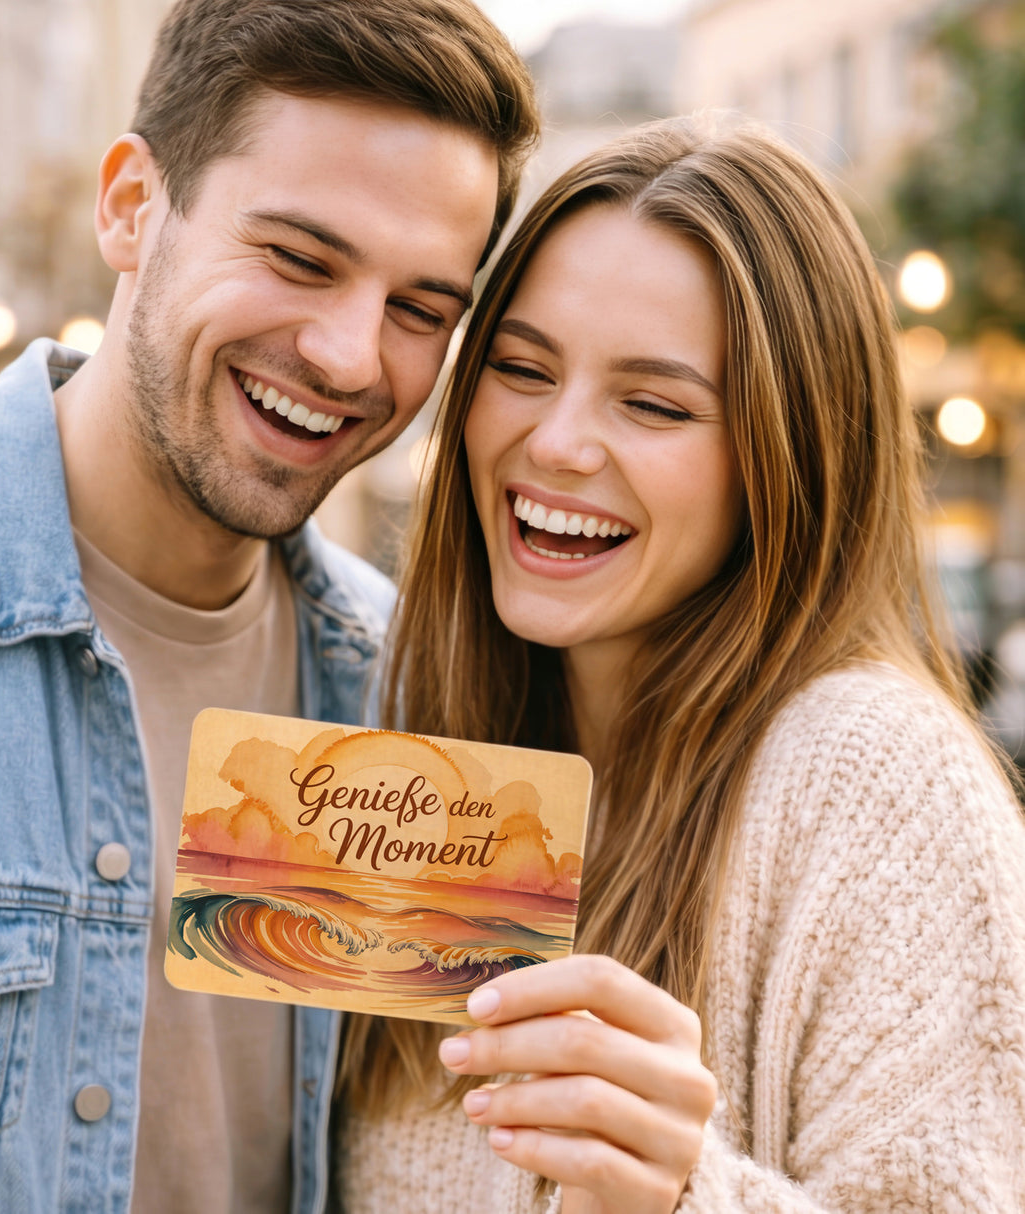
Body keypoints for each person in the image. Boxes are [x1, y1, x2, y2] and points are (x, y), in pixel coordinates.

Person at [0, 2, 538, 1211]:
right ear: (131, 207)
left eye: (420, 308)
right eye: (299, 257)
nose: (352, 356)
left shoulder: (407, 693)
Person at [334, 115, 1025, 1213]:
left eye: (651, 403)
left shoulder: (879, 783)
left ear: (783, 455)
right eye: (519, 367)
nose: (557, 441)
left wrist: (680, 1193)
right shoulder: (432, 739)